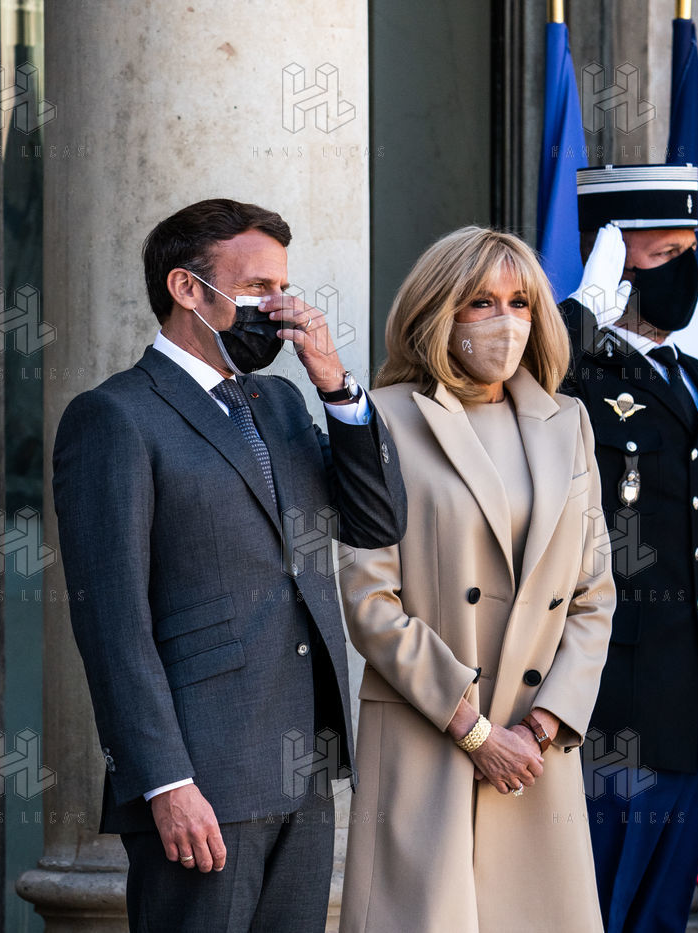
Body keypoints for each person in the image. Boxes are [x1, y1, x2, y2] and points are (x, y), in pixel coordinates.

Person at [51, 198, 408, 933]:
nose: (278, 307)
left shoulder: (280, 402)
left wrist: (335, 385)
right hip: (203, 776)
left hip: (303, 765)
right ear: (187, 288)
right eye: (257, 288)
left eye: (283, 287)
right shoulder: (115, 415)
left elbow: (376, 520)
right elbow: (113, 623)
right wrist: (166, 782)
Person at [337, 226, 616, 933]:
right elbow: (370, 602)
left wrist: (539, 727)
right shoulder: (384, 420)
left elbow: (593, 595)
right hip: (428, 735)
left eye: (520, 303)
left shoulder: (568, 421)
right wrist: (475, 731)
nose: (506, 321)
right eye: (482, 303)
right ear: (440, 312)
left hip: (533, 750)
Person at [559, 163, 698, 933]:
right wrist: (582, 312)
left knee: (659, 918)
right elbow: (516, 397)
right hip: (614, 712)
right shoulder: (573, 373)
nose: (685, 271)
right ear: (615, 261)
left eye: (689, 252)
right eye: (665, 254)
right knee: (593, 915)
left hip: (696, 712)